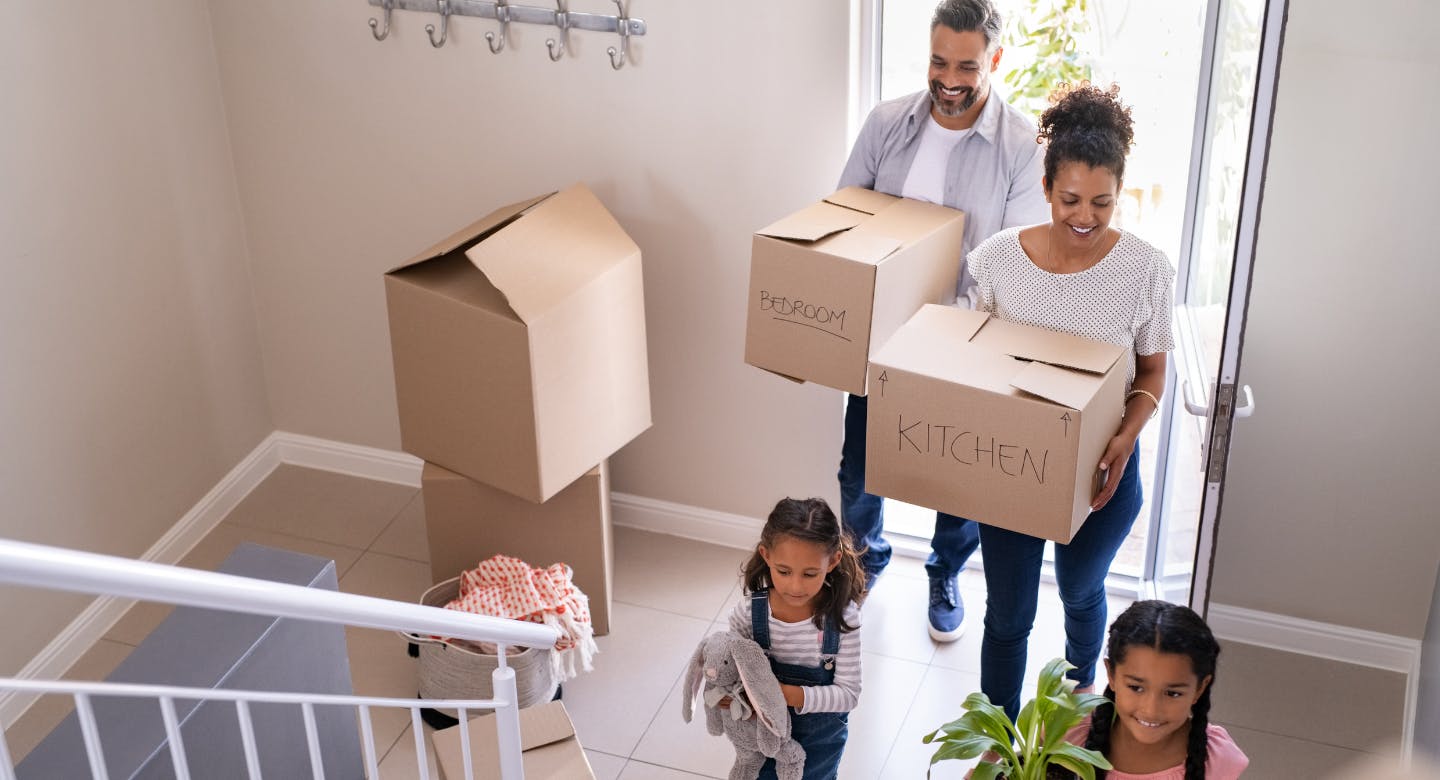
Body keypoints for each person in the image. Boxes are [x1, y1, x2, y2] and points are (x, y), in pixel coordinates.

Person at [836, 0, 1049, 643]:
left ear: (996, 60)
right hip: (880, 334)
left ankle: (944, 570)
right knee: (859, 464)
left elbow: (1011, 261)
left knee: (957, 476)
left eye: (966, 65)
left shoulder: (1020, 145)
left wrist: (946, 324)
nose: (948, 78)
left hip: (963, 338)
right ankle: (862, 562)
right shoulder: (886, 124)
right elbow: (844, 216)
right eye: (937, 61)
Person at [966, 82, 1175, 720]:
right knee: (1008, 615)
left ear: (1120, 194)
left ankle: (1079, 709)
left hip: (1104, 470)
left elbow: (1153, 373)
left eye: (1102, 202)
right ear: (1047, 187)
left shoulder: (1145, 271)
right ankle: (998, 744)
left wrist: (1125, 437)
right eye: (1070, 200)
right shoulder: (998, 262)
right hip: (1013, 468)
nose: (1084, 216)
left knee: (1083, 592)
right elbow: (975, 363)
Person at [727, 497, 867, 780]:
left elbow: (849, 695)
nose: (795, 586)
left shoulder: (844, 619)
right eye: (784, 571)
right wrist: (728, 693)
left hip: (820, 742)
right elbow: (731, 667)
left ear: (833, 561)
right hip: (762, 734)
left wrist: (784, 694)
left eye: (809, 573)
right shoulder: (749, 613)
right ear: (766, 556)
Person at [1059, 600, 1249, 779]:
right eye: (1136, 688)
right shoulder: (1067, 732)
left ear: (1200, 688)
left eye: (1173, 693)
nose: (1151, 710)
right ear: (1112, 675)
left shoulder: (1219, 760)